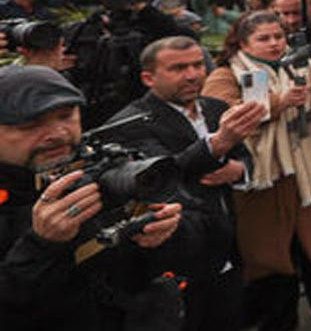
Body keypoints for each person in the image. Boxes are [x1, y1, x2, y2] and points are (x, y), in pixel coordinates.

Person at [203, 12, 311, 330]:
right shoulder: (225, 75)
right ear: (243, 42)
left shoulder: (299, 63)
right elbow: (228, 116)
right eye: (264, 38)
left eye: (278, 36)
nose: (275, 43)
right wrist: (278, 102)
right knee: (273, 274)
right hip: (266, 191)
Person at [0, 65, 185, 330]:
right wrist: (41, 246)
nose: (58, 134)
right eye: (31, 125)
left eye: (66, 116)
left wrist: (158, 236)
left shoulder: (95, 174)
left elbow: (127, 277)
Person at [105, 36, 265, 331]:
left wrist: (239, 169)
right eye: (178, 68)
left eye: (196, 65)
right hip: (179, 269)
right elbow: (161, 174)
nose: (192, 75)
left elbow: (243, 157)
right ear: (148, 78)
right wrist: (216, 145)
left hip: (229, 255)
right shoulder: (129, 125)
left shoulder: (215, 108)